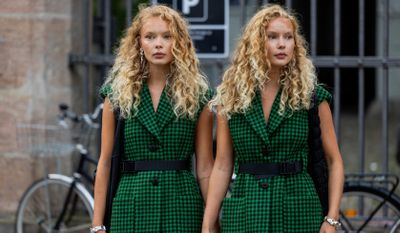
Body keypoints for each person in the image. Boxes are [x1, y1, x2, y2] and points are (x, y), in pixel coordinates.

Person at [202, 4, 344, 233]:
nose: (282, 44)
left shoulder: (312, 97)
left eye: (288, 37)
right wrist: (208, 223)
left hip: (299, 209)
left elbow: (334, 161)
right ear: (256, 44)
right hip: (245, 211)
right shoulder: (232, 98)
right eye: (272, 37)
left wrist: (332, 218)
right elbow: (222, 165)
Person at [91, 4, 214, 233]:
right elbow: (105, 162)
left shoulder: (199, 97)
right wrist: (97, 224)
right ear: (139, 42)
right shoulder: (117, 95)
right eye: (150, 36)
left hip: (182, 206)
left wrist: (212, 220)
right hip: (130, 207)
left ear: (179, 42)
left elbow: (205, 167)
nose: (158, 44)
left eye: (167, 36)